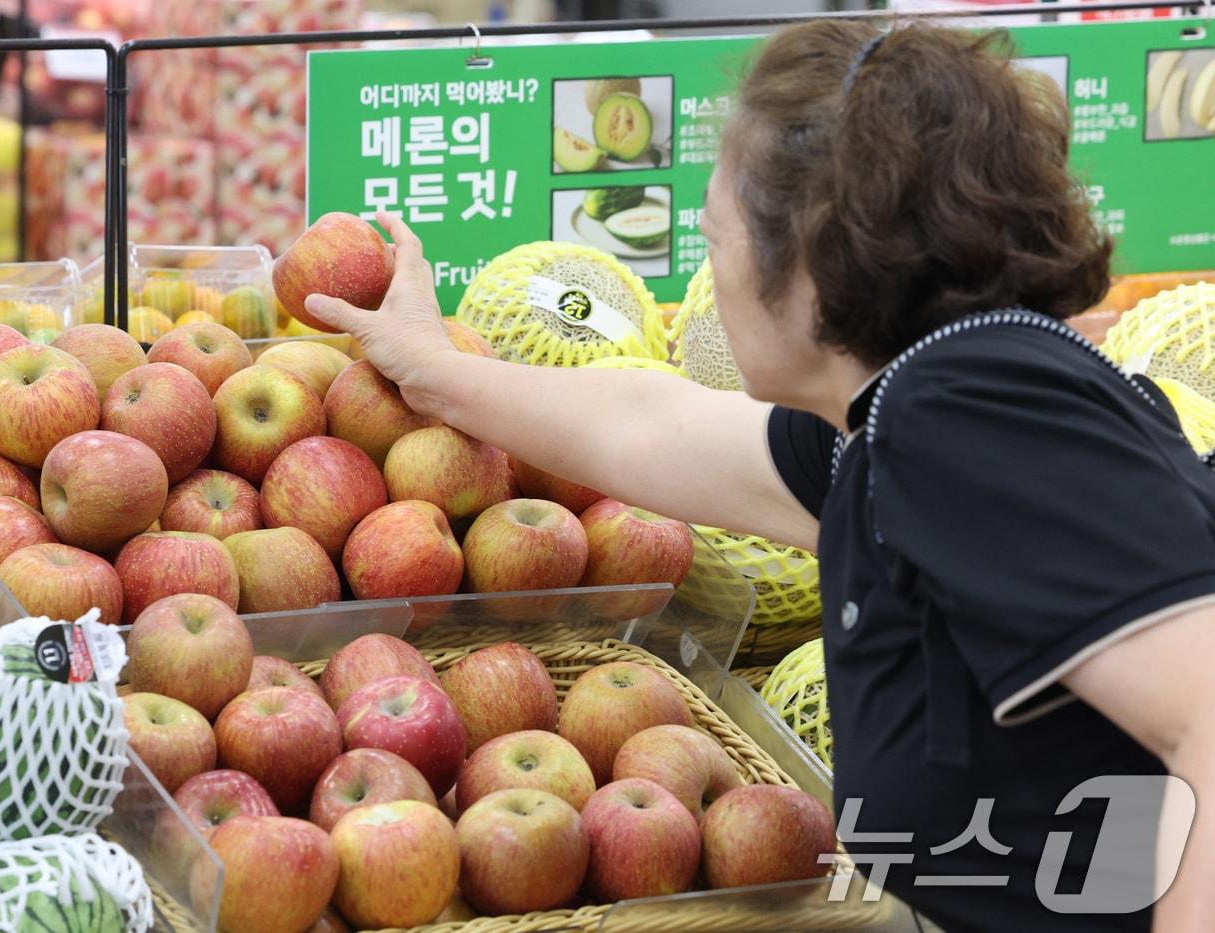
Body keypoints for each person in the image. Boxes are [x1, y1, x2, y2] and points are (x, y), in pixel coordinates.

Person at [304, 20, 1215, 933]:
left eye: (714, 231)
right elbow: (650, 425)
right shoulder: (904, 414)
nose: (709, 270)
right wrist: (434, 368)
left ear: (811, 261)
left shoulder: (964, 426)